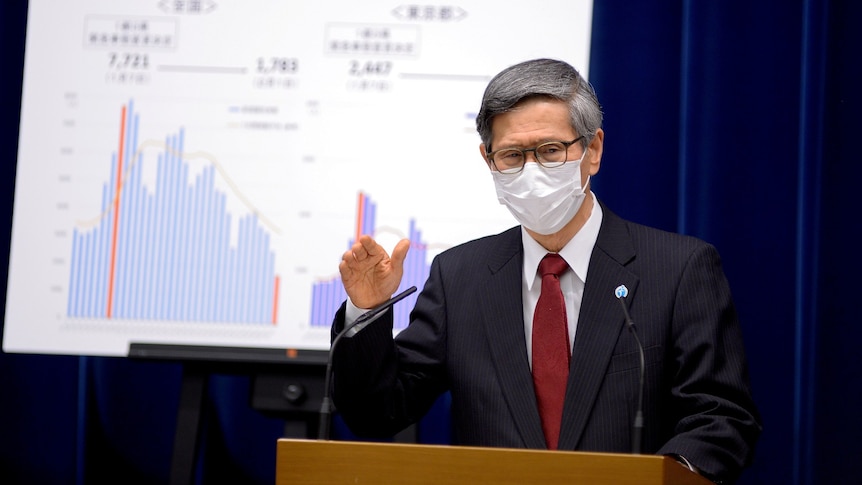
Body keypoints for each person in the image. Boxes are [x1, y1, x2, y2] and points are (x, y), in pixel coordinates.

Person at [330, 58, 761, 483]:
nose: (532, 170)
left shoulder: (679, 268)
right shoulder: (459, 276)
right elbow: (378, 414)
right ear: (488, 159)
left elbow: (721, 417)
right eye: (513, 155)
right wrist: (365, 311)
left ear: (592, 150)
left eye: (551, 151)